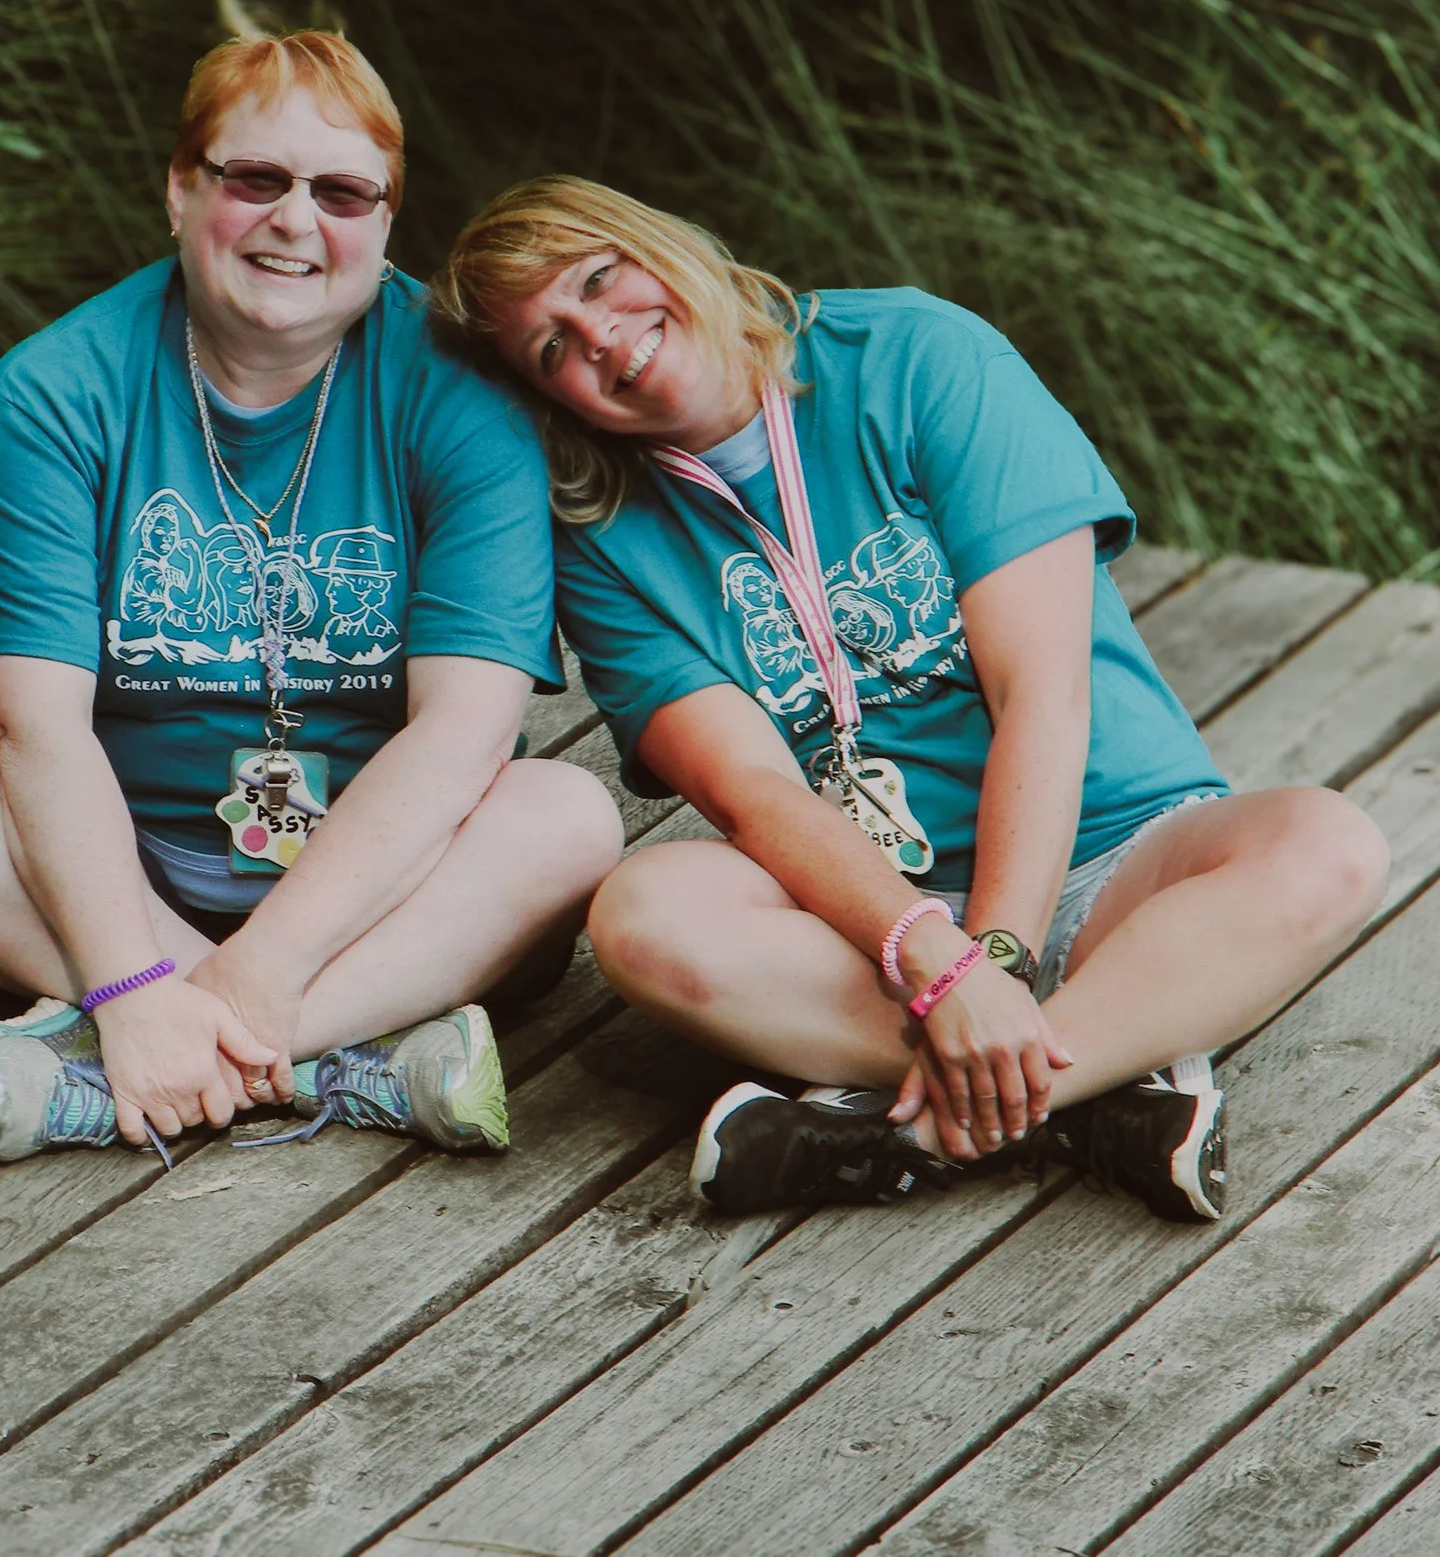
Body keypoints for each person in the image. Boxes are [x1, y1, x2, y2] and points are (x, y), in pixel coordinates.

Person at [430, 176, 1388, 1220]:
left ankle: (910, 1131)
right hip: (870, 928)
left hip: (1118, 855)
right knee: (642, 915)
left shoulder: (918, 356)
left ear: (658, 243)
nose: (605, 338)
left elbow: (1040, 692)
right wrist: (935, 965)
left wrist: (997, 962)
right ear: (553, 400)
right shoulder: (600, 534)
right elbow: (754, 793)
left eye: (598, 281)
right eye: (553, 349)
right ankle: (1101, 1085)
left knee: (1328, 845)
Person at [0, 31, 622, 1163]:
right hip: (124, 862)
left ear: (386, 222)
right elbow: (36, 727)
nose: (296, 221)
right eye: (256, 178)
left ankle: (144, 1051)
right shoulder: (55, 390)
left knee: (568, 818)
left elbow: (464, 732)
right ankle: (346, 1054)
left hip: (390, 884)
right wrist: (132, 973)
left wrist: (255, 974)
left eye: (343, 193)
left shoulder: (465, 396)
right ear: (181, 189)